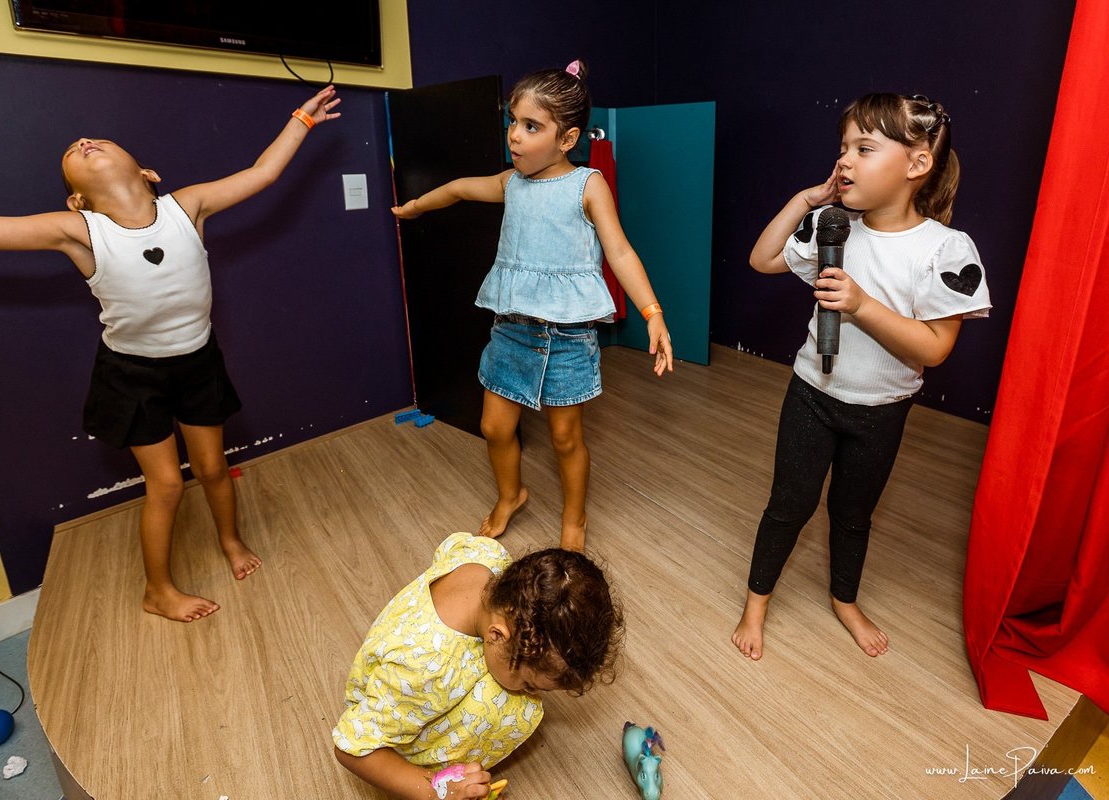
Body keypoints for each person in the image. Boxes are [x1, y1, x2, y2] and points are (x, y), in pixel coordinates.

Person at [0, 86, 341, 622]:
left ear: (148, 174)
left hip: (197, 359)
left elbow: (264, 173)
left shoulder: (187, 205)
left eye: (98, 140)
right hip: (132, 374)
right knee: (165, 484)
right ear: (77, 200)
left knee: (211, 467)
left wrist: (302, 117)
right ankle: (157, 589)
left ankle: (230, 541)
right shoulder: (78, 230)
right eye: (72, 153)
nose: (85, 142)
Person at [731, 93, 991, 660]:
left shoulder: (945, 249)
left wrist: (862, 305)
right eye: (843, 147)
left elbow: (937, 346)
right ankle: (757, 601)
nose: (845, 160)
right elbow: (762, 259)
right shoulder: (832, 225)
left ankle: (844, 600)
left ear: (917, 164)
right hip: (812, 395)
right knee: (788, 505)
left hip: (882, 410)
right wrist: (805, 199)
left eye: (864, 148)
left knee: (853, 514)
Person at [391, 60, 674, 552]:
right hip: (510, 330)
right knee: (494, 427)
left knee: (566, 438)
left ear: (567, 139)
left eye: (531, 127)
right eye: (512, 123)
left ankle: (575, 519)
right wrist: (415, 207)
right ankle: (511, 495)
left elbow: (620, 251)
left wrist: (653, 313)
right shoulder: (511, 183)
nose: (514, 137)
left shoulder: (587, 185)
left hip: (566, 336)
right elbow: (459, 188)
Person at [332, 531, 623, 800]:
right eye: (529, 683)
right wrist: (435, 791)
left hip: (408, 679)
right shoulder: (425, 671)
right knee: (517, 709)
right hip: (393, 709)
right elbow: (351, 748)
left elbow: (450, 546)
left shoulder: (488, 558)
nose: (532, 693)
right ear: (497, 636)